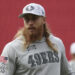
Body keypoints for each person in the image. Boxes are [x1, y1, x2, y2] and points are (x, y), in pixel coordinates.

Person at [0, 3, 74, 75]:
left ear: (44, 20)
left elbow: (67, 73)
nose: (30, 23)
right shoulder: (11, 48)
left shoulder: (57, 43)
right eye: (27, 19)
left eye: (34, 18)